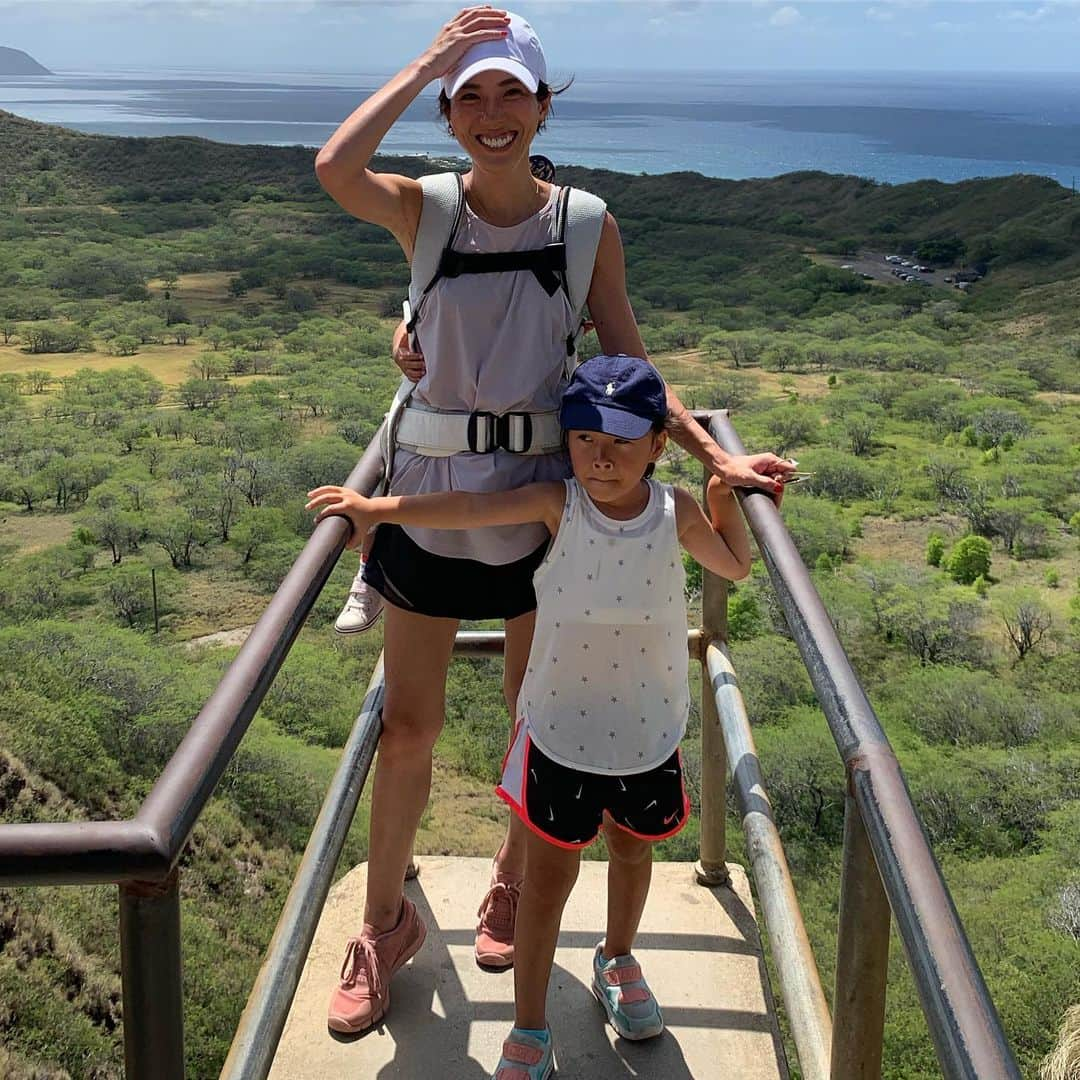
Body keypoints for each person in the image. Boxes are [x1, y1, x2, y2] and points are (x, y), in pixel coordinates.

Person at [312, 5, 793, 1037]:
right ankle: (383, 923)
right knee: (408, 728)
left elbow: (630, 359)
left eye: (511, 92)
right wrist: (428, 58)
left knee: (539, 715)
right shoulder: (424, 210)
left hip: (543, 509)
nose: (493, 114)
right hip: (436, 503)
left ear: (542, 104)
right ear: (448, 111)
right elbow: (334, 168)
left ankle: (514, 879)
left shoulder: (583, 224)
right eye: (470, 96)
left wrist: (717, 459)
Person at [308, 354, 772, 1077]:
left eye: (623, 438)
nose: (602, 455)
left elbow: (736, 567)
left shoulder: (674, 510)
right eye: (586, 437)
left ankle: (617, 960)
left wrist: (723, 490)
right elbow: (466, 509)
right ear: (567, 441)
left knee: (630, 852)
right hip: (561, 732)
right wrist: (379, 510)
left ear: (658, 443)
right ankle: (529, 1027)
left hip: (646, 734)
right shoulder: (560, 504)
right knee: (548, 882)